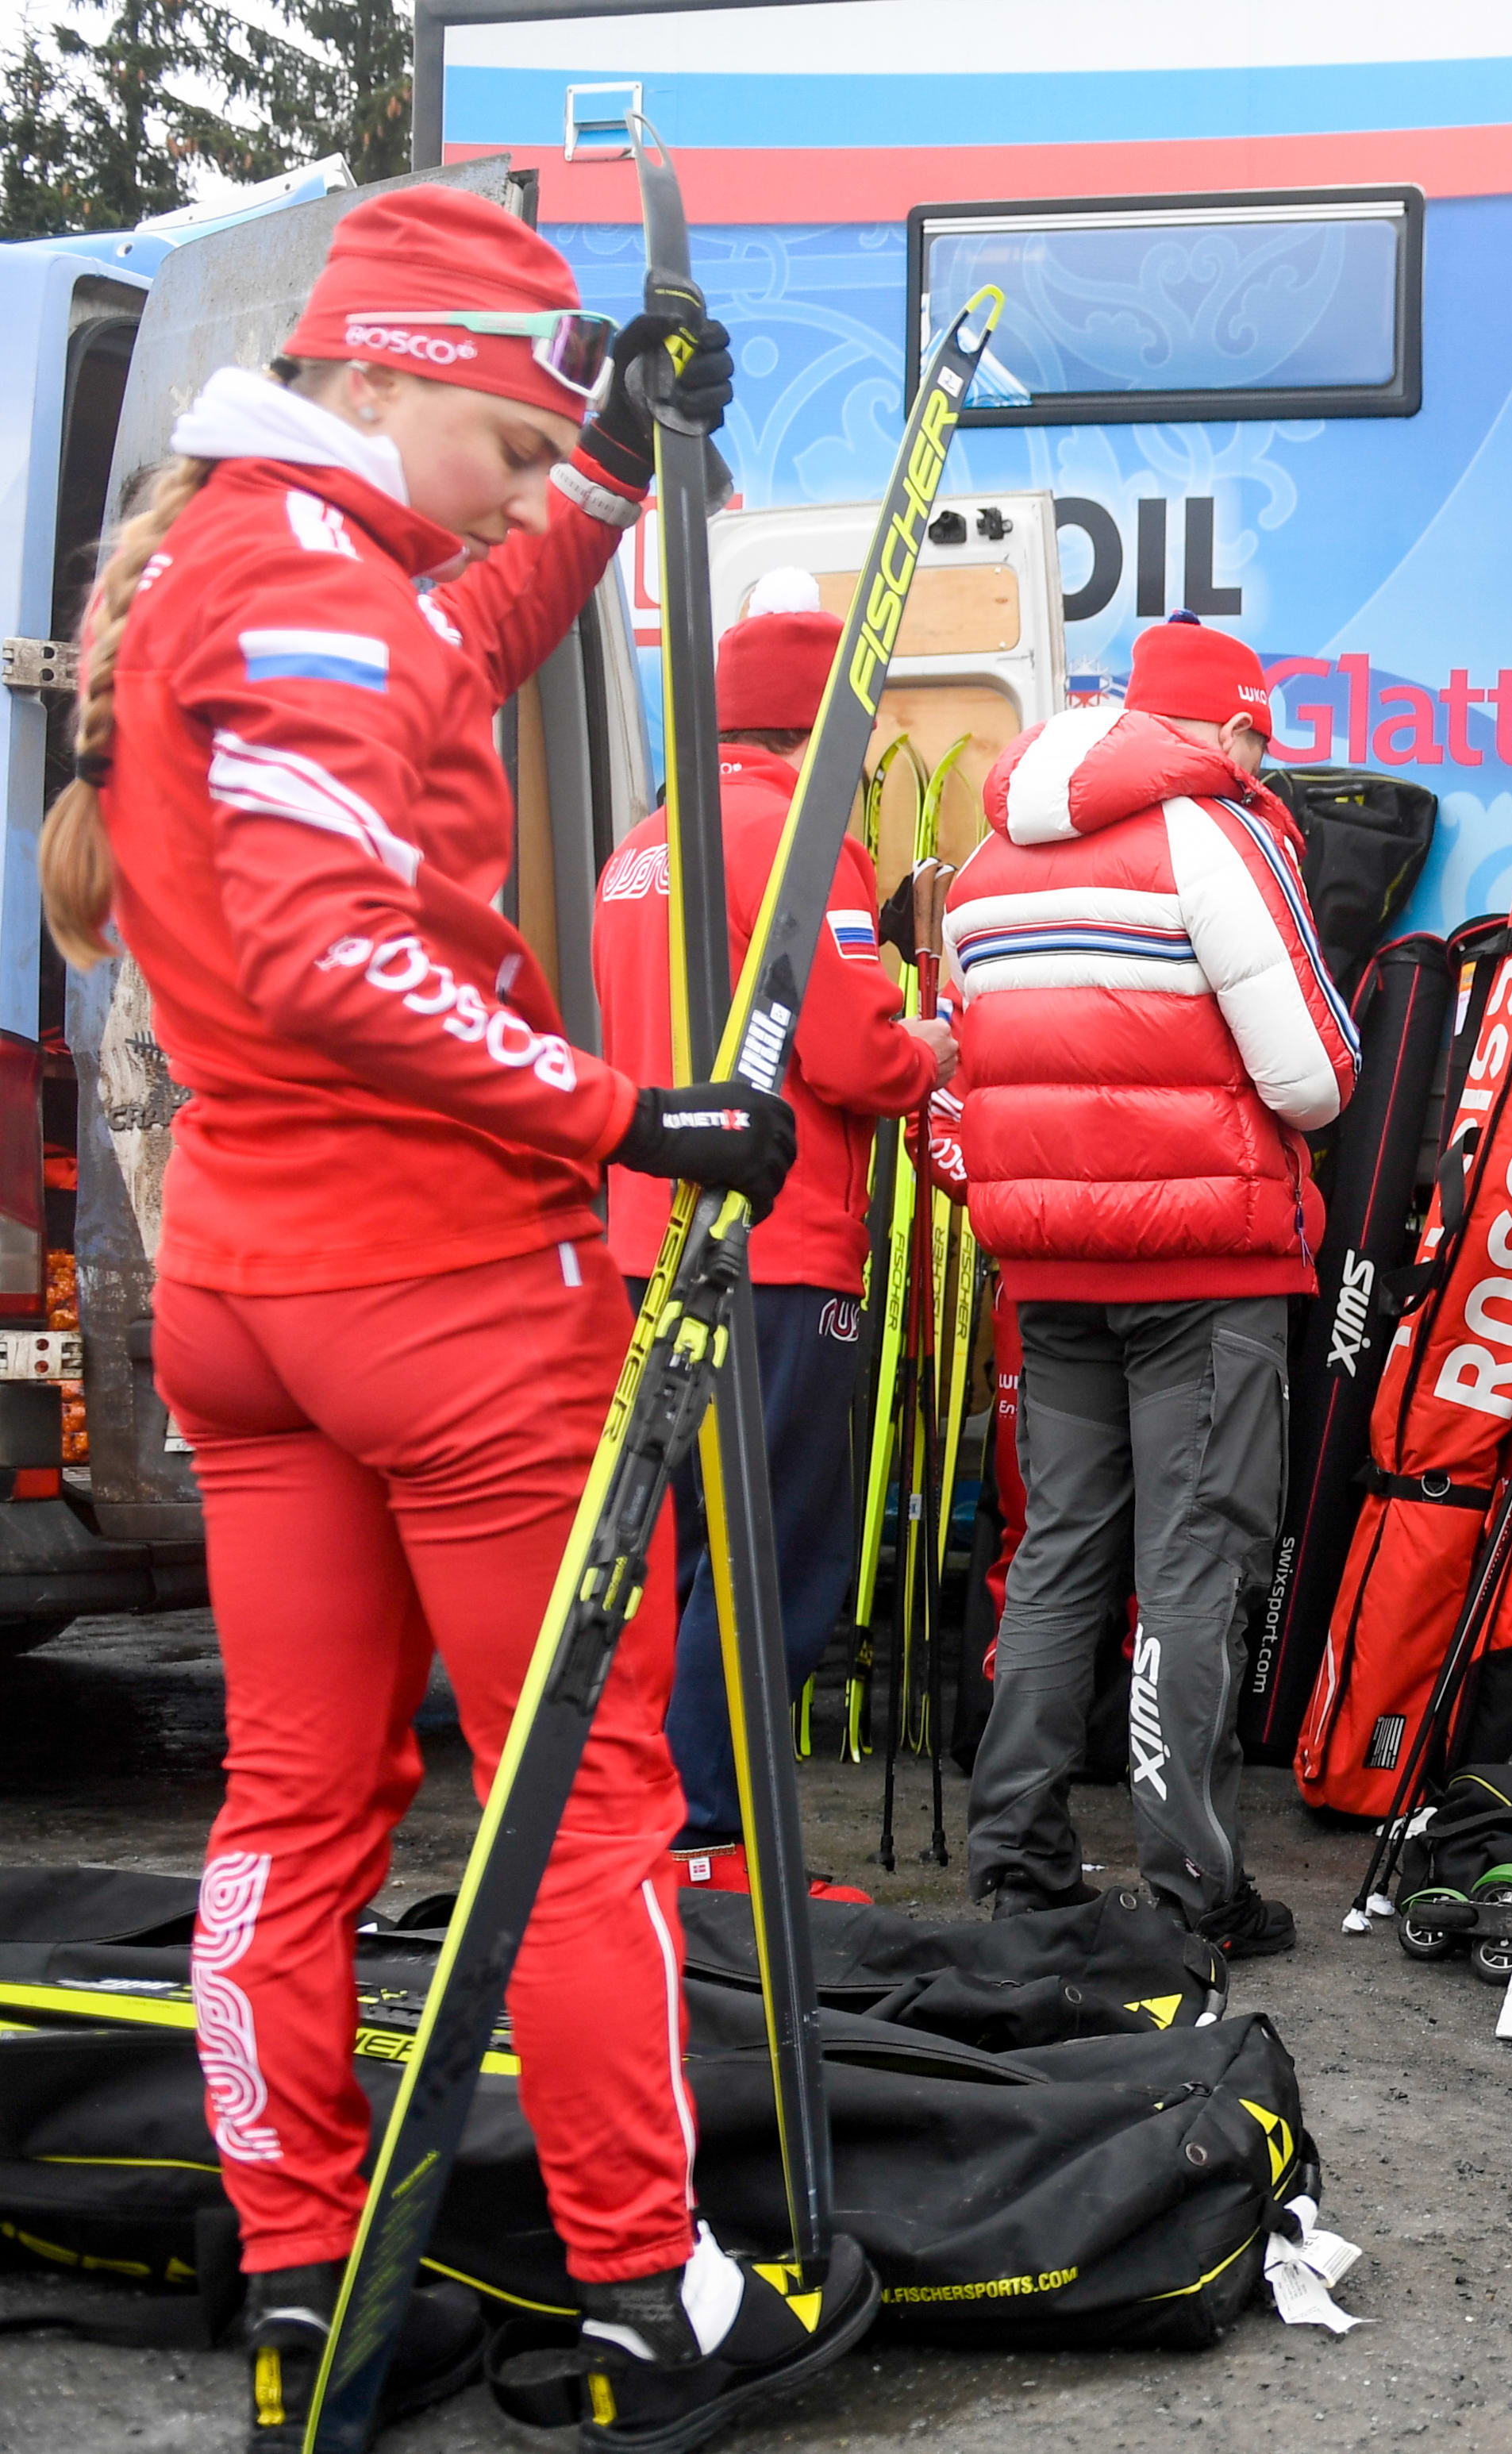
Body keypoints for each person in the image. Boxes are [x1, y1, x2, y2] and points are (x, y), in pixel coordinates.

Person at [46, 186, 873, 2445]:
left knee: (291, 1801)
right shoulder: (312, 584)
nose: (515, 500)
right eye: (505, 445)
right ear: (390, 372)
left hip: (246, 1295)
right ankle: (647, 2297)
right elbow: (330, 947)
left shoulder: (244, 559)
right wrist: (634, 1110)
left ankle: (303, 2280)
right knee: (581, 1800)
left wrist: (597, 471)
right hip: (446, 1293)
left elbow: (446, 665)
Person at [948, 614, 1353, 1957]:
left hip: (1046, 1266)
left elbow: (966, 1059)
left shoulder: (985, 857)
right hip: (1203, 1265)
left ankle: (1016, 1861)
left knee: (1059, 1550)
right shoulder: (1219, 832)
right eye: (1257, 740)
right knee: (1193, 1565)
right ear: (1231, 729)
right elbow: (1312, 1075)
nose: (1262, 762)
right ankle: (1192, 1888)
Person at [591, 568, 956, 1876]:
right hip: (782, 1248)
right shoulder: (804, 841)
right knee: (775, 1563)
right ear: (823, 726)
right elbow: (857, 1059)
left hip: (649, 1248)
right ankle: (717, 1842)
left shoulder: (643, 844)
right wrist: (933, 1041)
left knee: (676, 1556)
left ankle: (658, 1830)